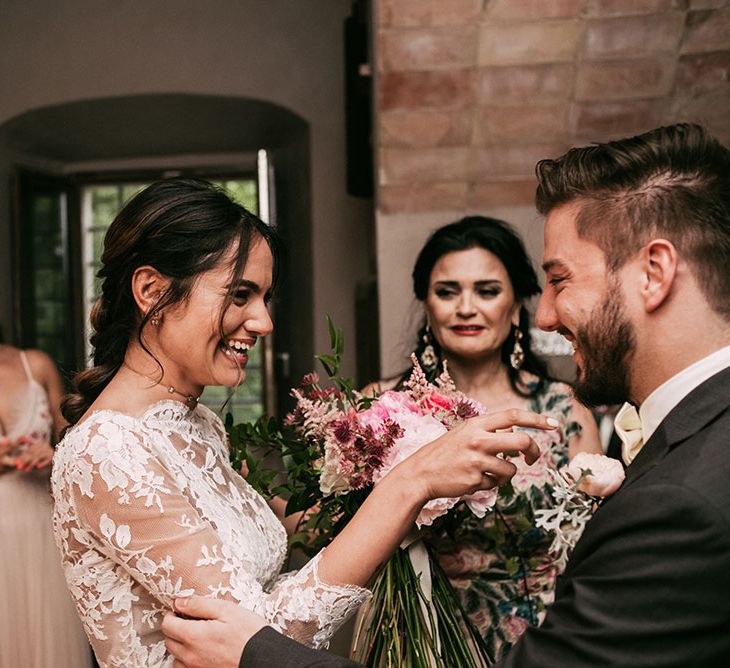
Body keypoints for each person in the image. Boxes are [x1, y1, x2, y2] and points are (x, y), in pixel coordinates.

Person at [162, 123, 730, 668]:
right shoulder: (379, 406)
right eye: (447, 291)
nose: (548, 315)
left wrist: (259, 655)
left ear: (654, 272)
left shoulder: (675, 496)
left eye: (558, 280)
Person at [50, 177, 552, 668]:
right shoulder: (108, 450)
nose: (264, 322)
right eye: (240, 294)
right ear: (152, 290)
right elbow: (256, 642)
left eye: (264, 298)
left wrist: (379, 485)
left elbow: (258, 596)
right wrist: (408, 483)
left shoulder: (197, 424)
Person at [362, 216, 602, 660]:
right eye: (447, 291)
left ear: (515, 306)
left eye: (487, 291)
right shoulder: (379, 409)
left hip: (544, 644)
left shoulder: (564, 409)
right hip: (420, 643)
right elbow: (333, 535)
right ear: (427, 304)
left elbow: (593, 547)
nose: (465, 307)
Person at [0, 339, 92, 668]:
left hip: (42, 518)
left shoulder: (34, 363)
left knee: (49, 627)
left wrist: (54, 455)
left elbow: (73, 438)